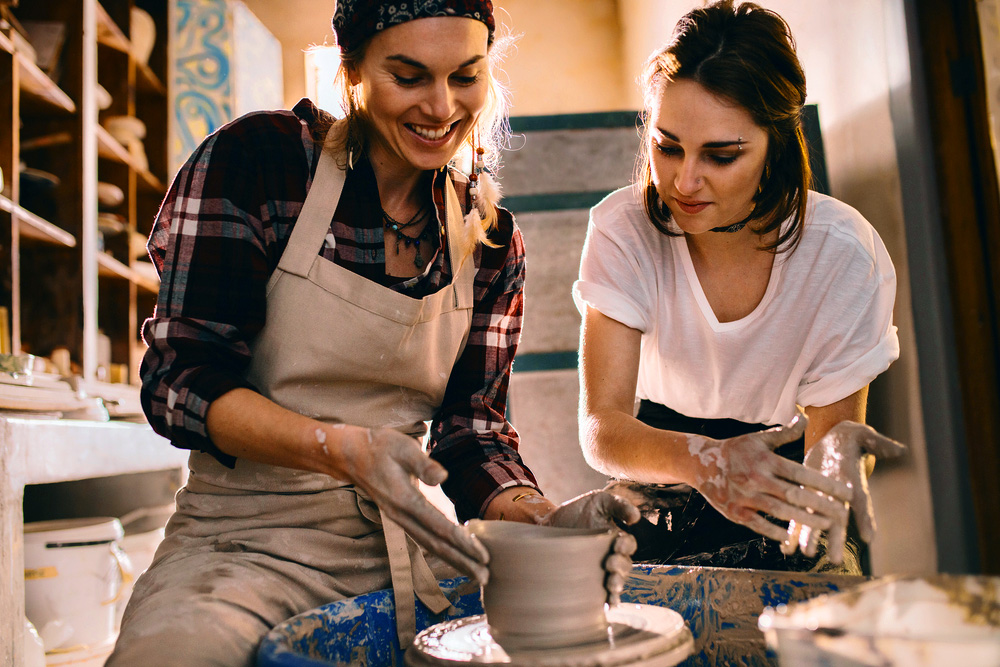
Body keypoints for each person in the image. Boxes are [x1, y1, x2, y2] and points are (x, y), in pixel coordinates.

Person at [109, 2, 637, 665]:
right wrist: (342, 449)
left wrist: (545, 519)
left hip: (404, 553)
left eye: (465, 76)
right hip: (238, 549)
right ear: (352, 70)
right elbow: (178, 382)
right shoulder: (262, 164)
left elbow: (470, 432)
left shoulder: (491, 241)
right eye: (409, 76)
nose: (442, 106)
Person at [573, 0, 904, 574]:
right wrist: (706, 462)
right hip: (660, 482)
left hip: (784, 491)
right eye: (666, 145)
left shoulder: (843, 253)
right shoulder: (622, 229)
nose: (684, 180)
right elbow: (602, 429)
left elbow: (832, 442)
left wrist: (835, 468)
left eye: (721, 156)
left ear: (776, 144)